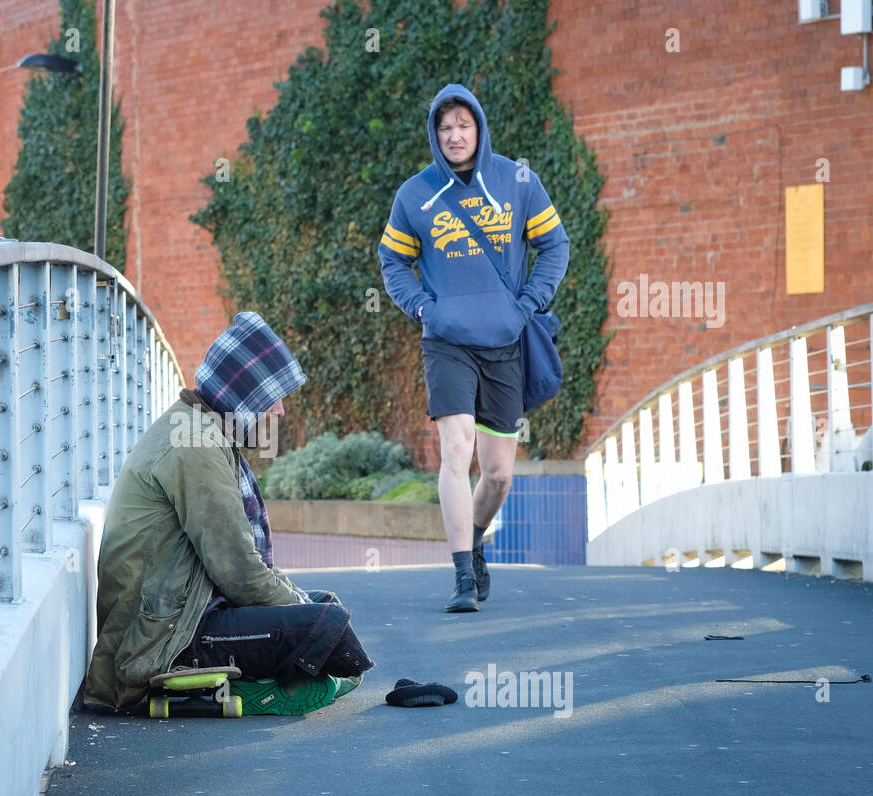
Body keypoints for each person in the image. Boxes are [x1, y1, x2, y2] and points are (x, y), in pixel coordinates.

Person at [83, 311, 374, 713]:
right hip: (161, 642)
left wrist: (303, 601)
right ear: (247, 397)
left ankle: (294, 667)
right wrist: (304, 606)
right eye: (273, 399)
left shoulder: (199, 429)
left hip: (180, 616)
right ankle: (237, 691)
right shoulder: (196, 445)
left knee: (324, 610)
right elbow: (241, 573)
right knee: (323, 625)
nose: (280, 412)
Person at [378, 83, 569, 612]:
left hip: (506, 338)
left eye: (463, 125)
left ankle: (476, 537)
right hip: (446, 341)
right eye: (445, 127)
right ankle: (463, 576)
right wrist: (422, 307)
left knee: (499, 471)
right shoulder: (414, 194)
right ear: (434, 135)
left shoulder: (516, 180)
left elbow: (554, 244)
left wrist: (529, 303)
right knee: (456, 447)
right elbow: (393, 262)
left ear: (478, 128)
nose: (454, 135)